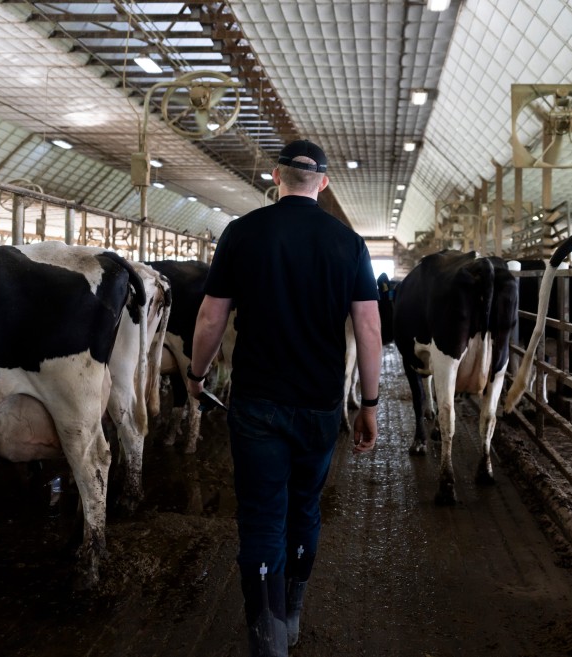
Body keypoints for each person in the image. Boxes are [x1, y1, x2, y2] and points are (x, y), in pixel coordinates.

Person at [187, 138, 382, 657]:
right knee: (303, 509)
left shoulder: (242, 232)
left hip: (256, 402)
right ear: (322, 182)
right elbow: (368, 329)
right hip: (319, 404)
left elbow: (211, 317)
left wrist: (196, 375)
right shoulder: (348, 244)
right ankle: (292, 612)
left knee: (261, 517)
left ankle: (267, 636)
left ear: (275, 177)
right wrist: (369, 404)